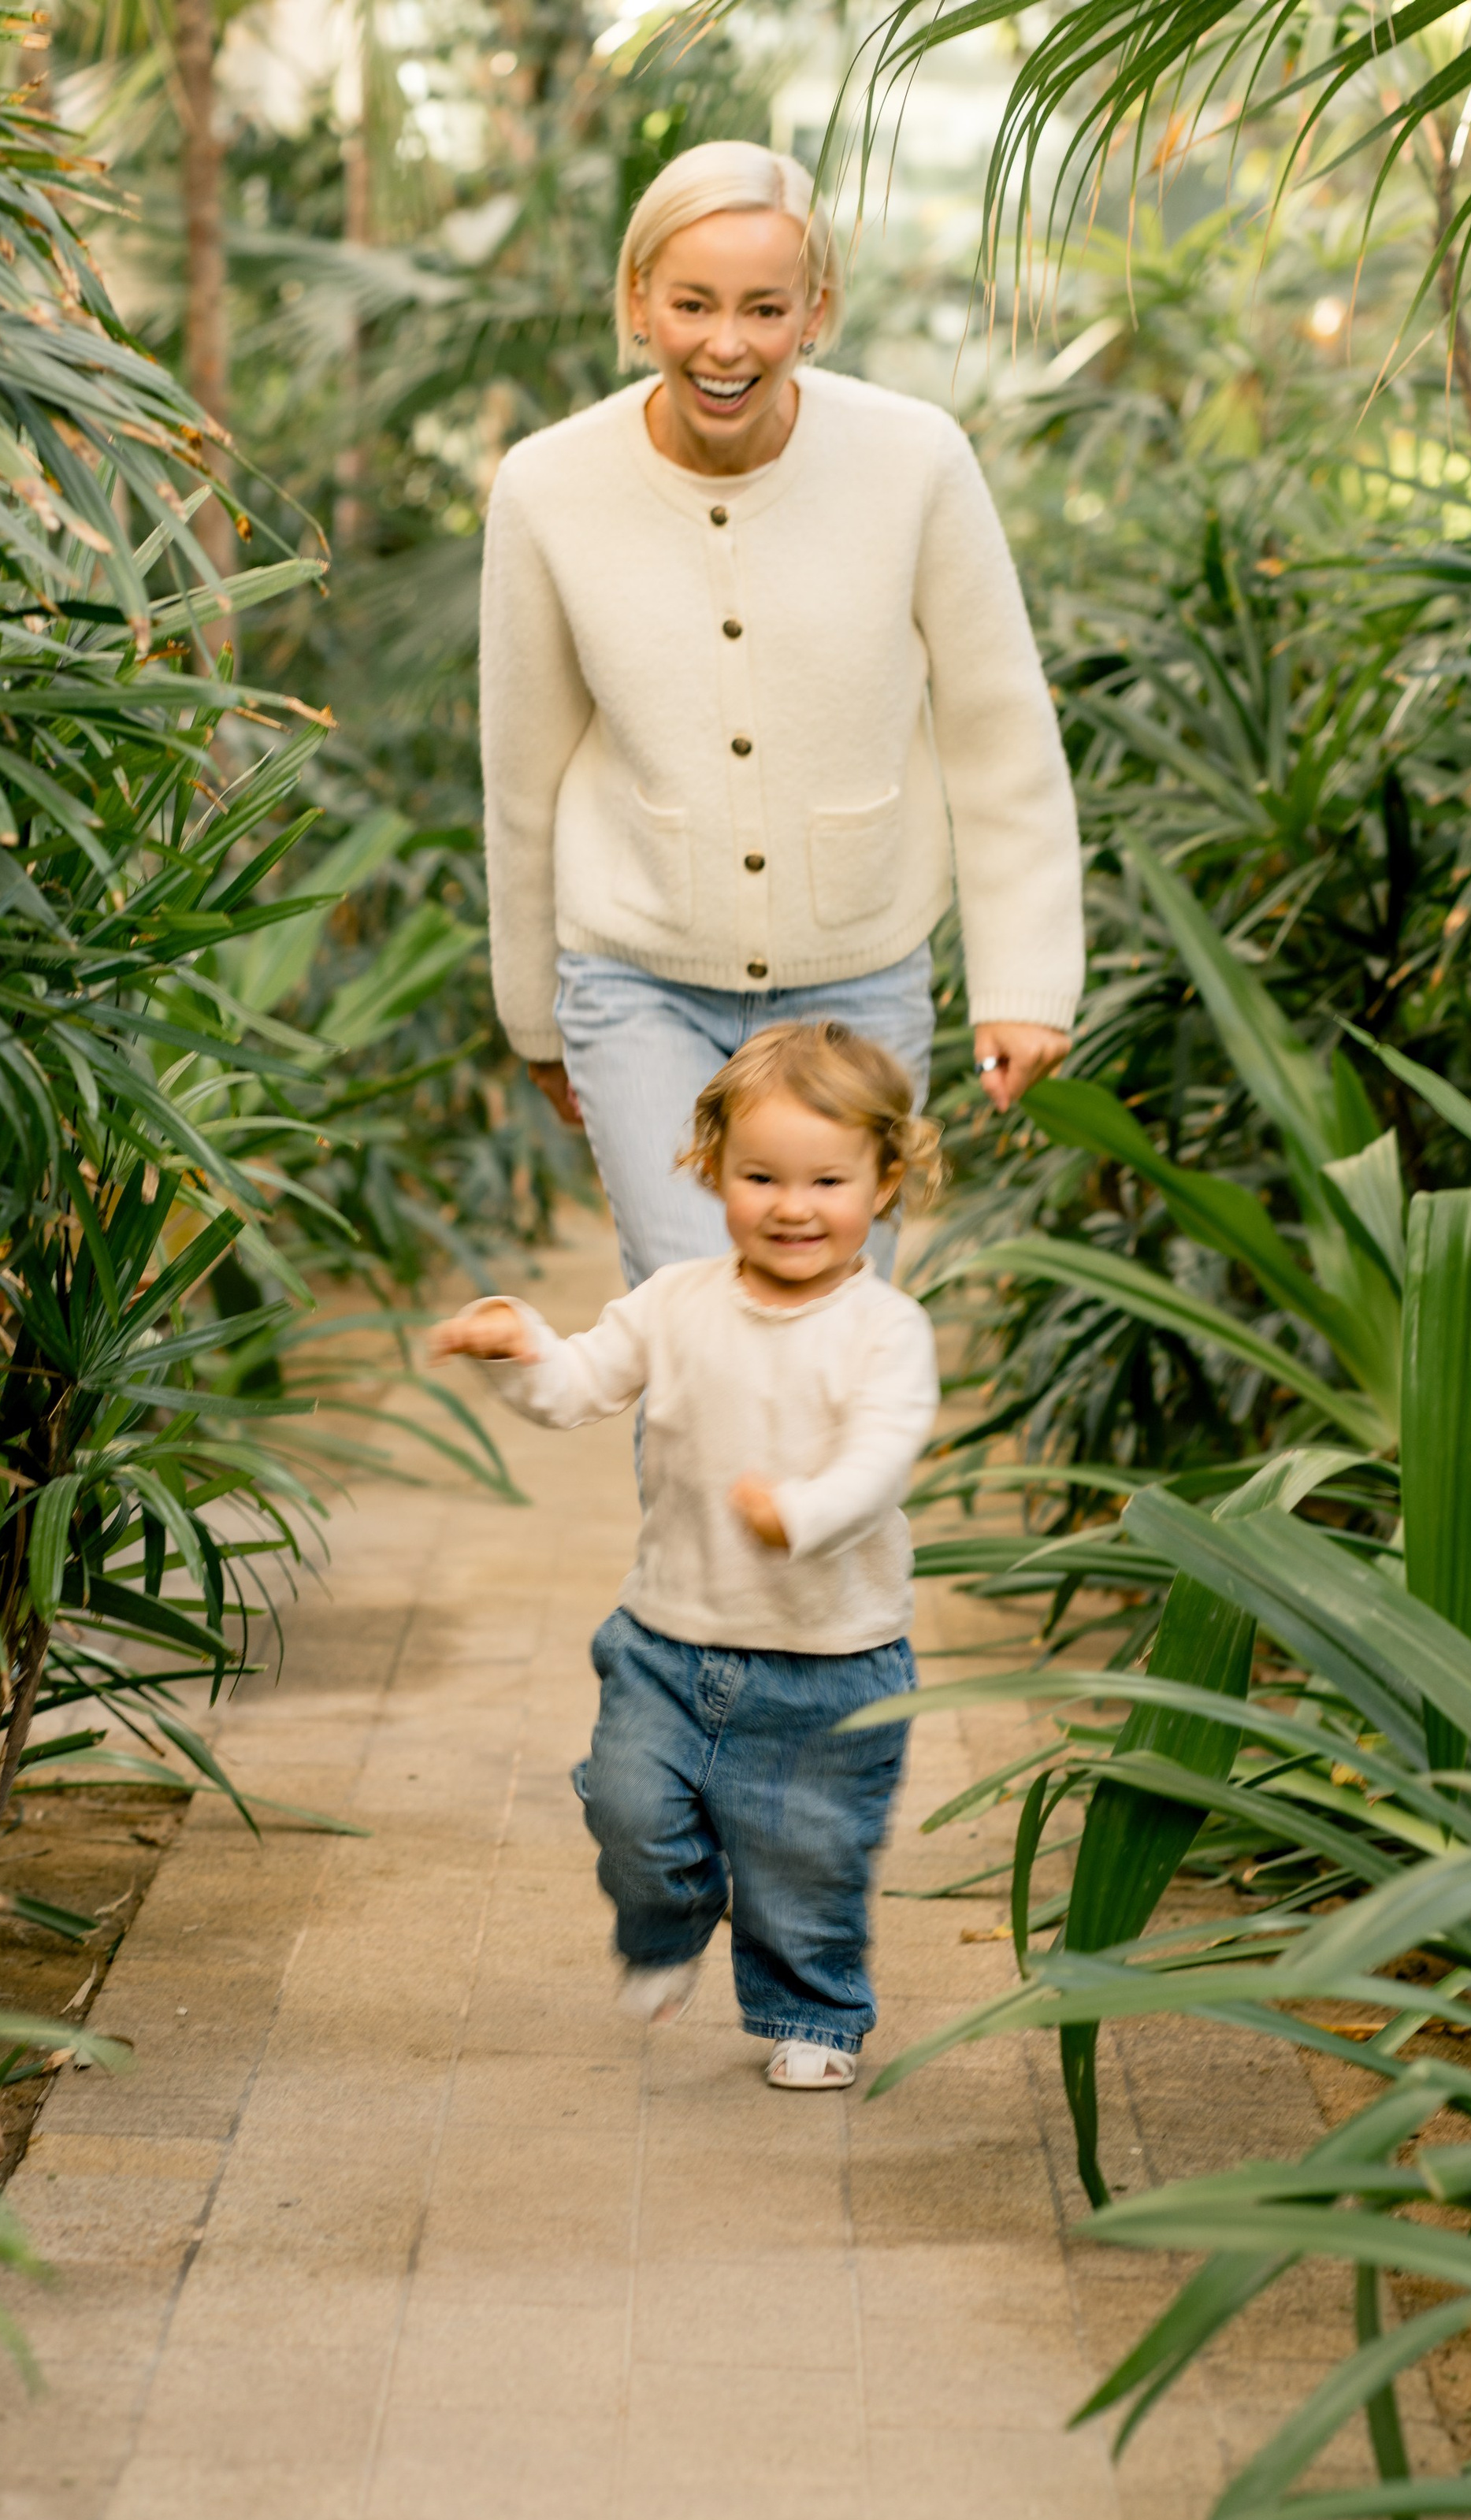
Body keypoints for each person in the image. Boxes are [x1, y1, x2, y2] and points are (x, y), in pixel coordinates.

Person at [478, 138, 1084, 1289]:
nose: (725, 343)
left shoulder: (916, 463)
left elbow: (996, 728)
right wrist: (533, 1017)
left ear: (817, 309)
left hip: (858, 978)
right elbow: (524, 769)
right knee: (696, 1321)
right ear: (638, 300)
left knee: (826, 1325)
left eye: (765, 307)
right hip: (635, 979)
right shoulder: (547, 488)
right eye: (693, 303)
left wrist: (1024, 983)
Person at [430, 1022, 938, 2089]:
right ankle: (666, 1928)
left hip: (829, 1658)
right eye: (761, 1176)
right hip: (667, 1639)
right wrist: (520, 1344)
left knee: (810, 1859)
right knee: (627, 1808)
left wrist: (801, 1513)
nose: (793, 1206)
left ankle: (813, 2017)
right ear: (712, 1171)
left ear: (884, 1182)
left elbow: (882, 1457)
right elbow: (579, 1385)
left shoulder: (885, 1330)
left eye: (827, 1180)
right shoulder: (675, 1303)